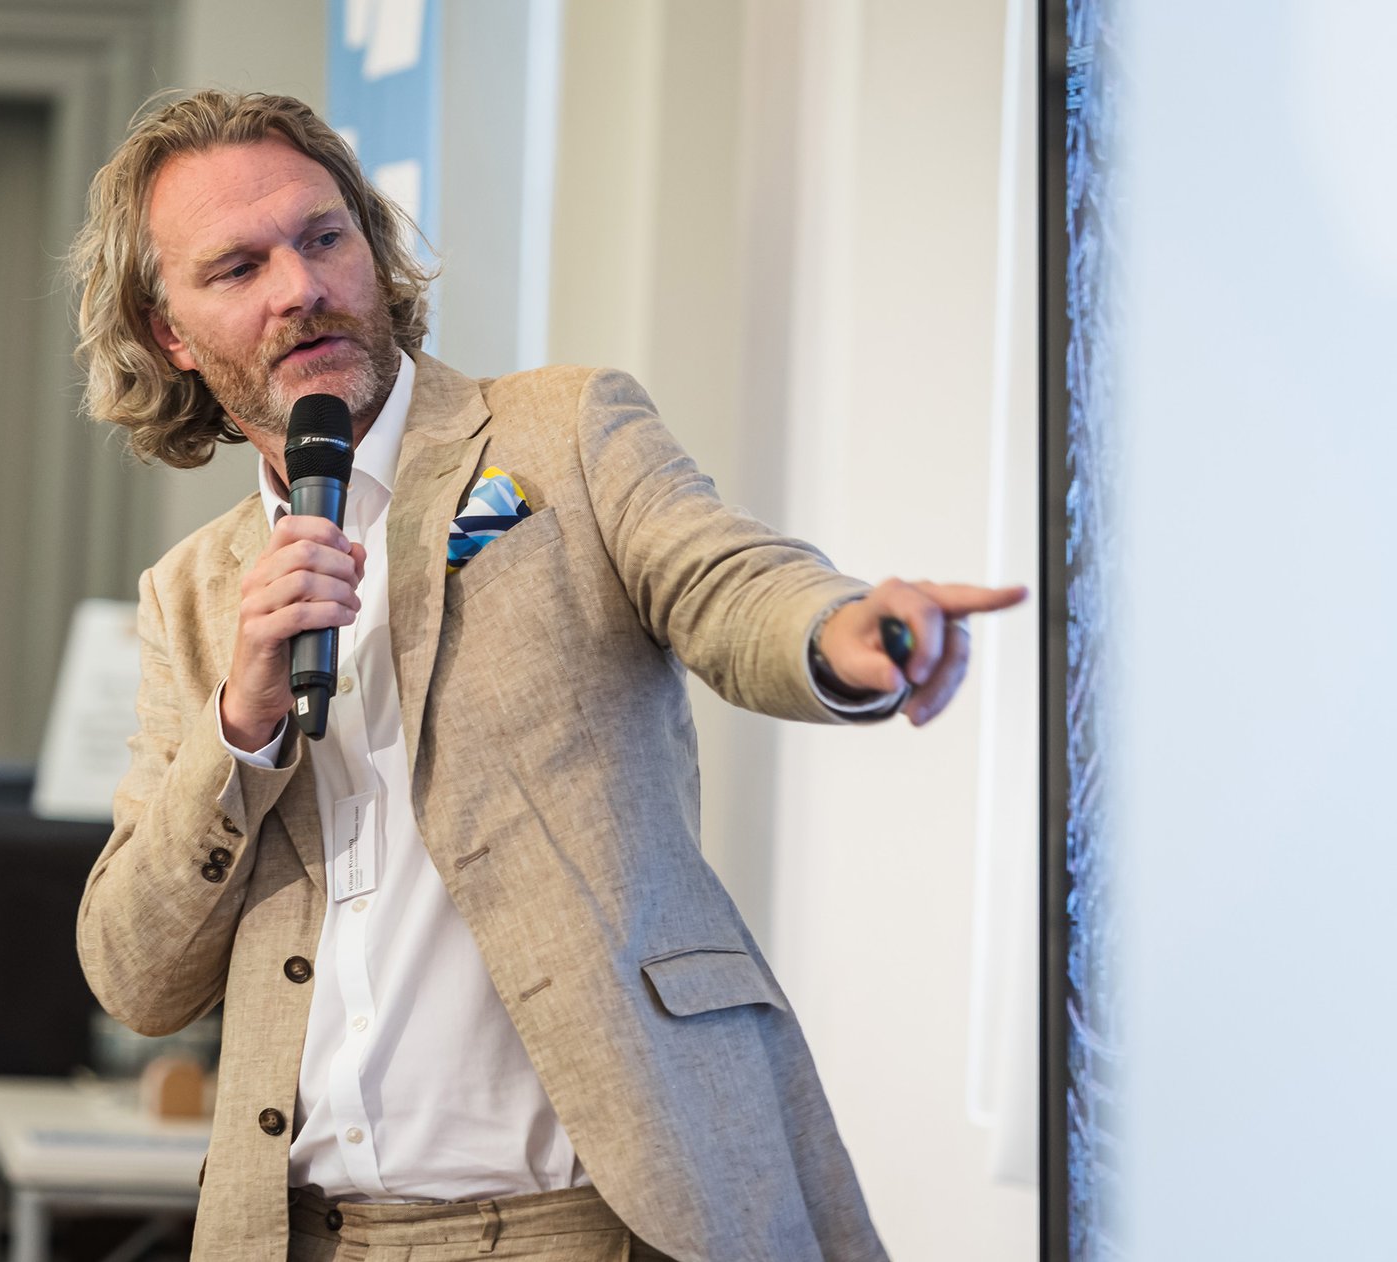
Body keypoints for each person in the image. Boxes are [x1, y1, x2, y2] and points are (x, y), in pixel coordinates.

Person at [71, 90, 1024, 1262]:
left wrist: (838, 629)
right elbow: (135, 973)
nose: (300, 287)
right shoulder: (189, 594)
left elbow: (728, 583)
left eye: (323, 237)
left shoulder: (557, 435)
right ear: (170, 332)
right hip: (306, 1231)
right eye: (238, 267)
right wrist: (243, 721)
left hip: (595, 1216)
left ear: (370, 244)